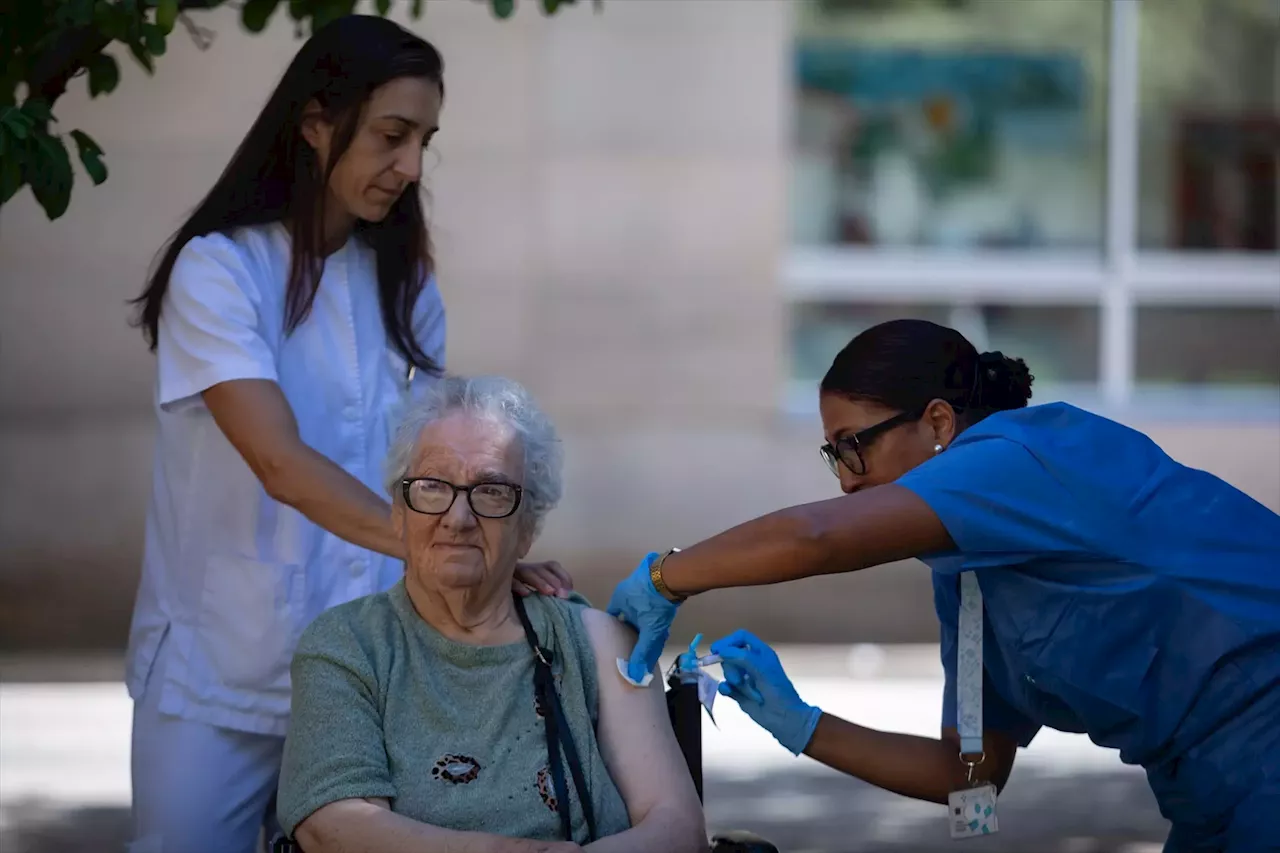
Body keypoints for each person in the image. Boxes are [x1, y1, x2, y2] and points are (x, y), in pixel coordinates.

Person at [123, 17, 571, 853]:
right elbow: (279, 462)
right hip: (220, 665)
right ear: (316, 123)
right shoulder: (219, 271)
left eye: (424, 141)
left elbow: (445, 457)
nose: (410, 167)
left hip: (370, 664)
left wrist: (492, 549)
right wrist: (441, 543)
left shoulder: (402, 279)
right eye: (391, 136)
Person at [607, 318, 1280, 852]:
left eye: (852, 444)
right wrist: (802, 723)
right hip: (1204, 794)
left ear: (937, 423)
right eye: (831, 454)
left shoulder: (1016, 455)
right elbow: (973, 781)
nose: (844, 477)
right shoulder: (966, 580)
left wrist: (669, 576)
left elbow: (820, 535)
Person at [276, 375, 707, 853]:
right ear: (398, 513)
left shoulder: (598, 643)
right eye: (433, 487)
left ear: (528, 530)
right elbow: (337, 826)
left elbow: (676, 828)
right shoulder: (347, 646)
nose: (458, 519)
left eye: (492, 493)